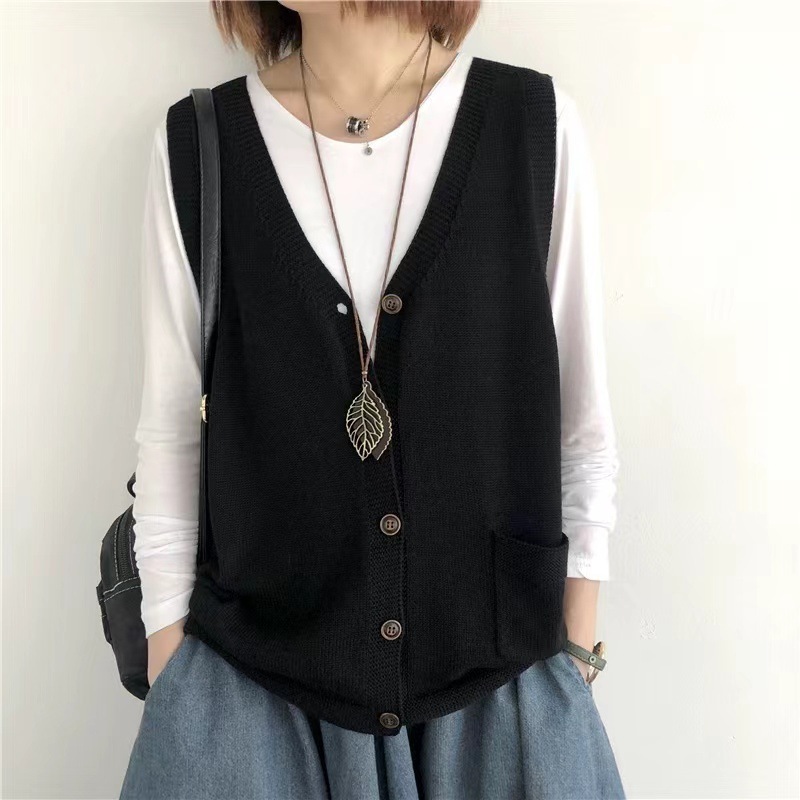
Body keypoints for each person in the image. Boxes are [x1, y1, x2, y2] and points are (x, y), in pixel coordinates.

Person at [120, 1, 625, 797]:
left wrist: (577, 655)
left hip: (501, 701)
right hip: (254, 700)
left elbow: (582, 428)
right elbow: (173, 433)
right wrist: (170, 663)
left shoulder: (531, 125)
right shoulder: (199, 145)